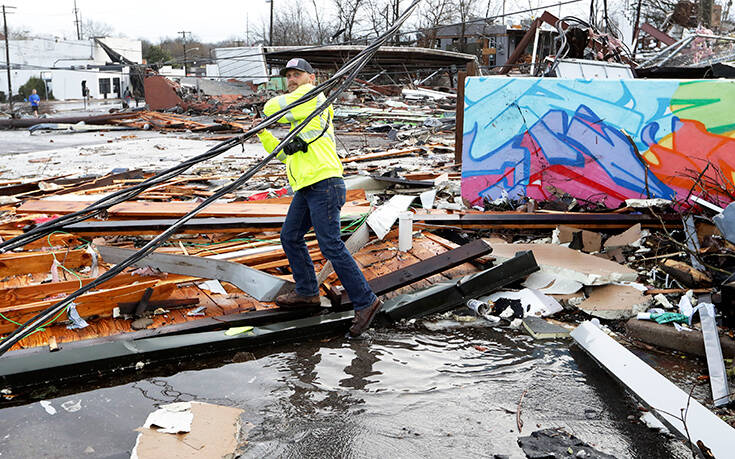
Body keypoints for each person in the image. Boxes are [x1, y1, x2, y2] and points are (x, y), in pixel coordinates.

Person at [256, 58, 382, 337]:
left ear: (312, 78)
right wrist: (263, 132)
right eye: (288, 75)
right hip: (308, 187)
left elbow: (271, 107)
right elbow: (282, 153)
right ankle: (307, 292)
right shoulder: (300, 118)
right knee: (290, 235)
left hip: (325, 184)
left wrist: (267, 113)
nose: (292, 79)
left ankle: (366, 301)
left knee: (330, 245)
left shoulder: (314, 99)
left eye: (297, 74)